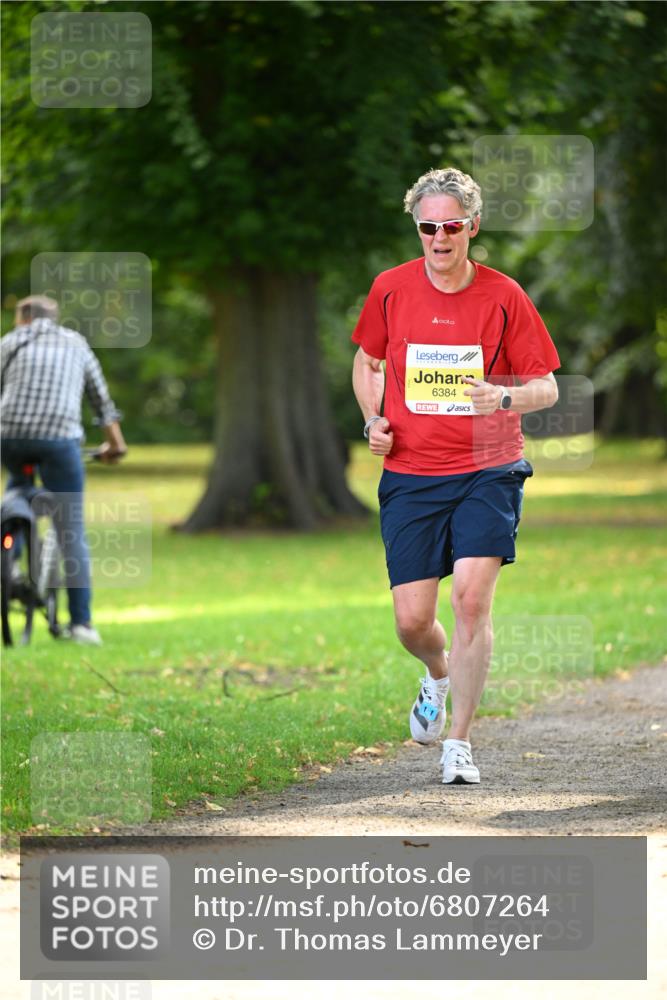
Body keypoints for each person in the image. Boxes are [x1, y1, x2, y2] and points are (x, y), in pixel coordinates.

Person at [351, 167, 560, 785]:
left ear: (471, 227)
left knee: (471, 600)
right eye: (427, 227)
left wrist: (501, 398)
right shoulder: (390, 289)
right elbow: (367, 362)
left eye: (450, 226)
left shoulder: (504, 296)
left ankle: (459, 745)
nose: (439, 237)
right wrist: (373, 421)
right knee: (413, 622)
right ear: (417, 230)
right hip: (411, 473)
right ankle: (437, 675)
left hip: (487, 468)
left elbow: (546, 387)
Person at [1, 294, 127, 645]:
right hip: (60, 440)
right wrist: (114, 446)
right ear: (52, 318)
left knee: (19, 488)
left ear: (23, 317)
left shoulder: (9, 343)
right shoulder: (75, 344)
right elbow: (102, 402)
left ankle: (8, 555)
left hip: (9, 438)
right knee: (70, 526)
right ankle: (81, 624)